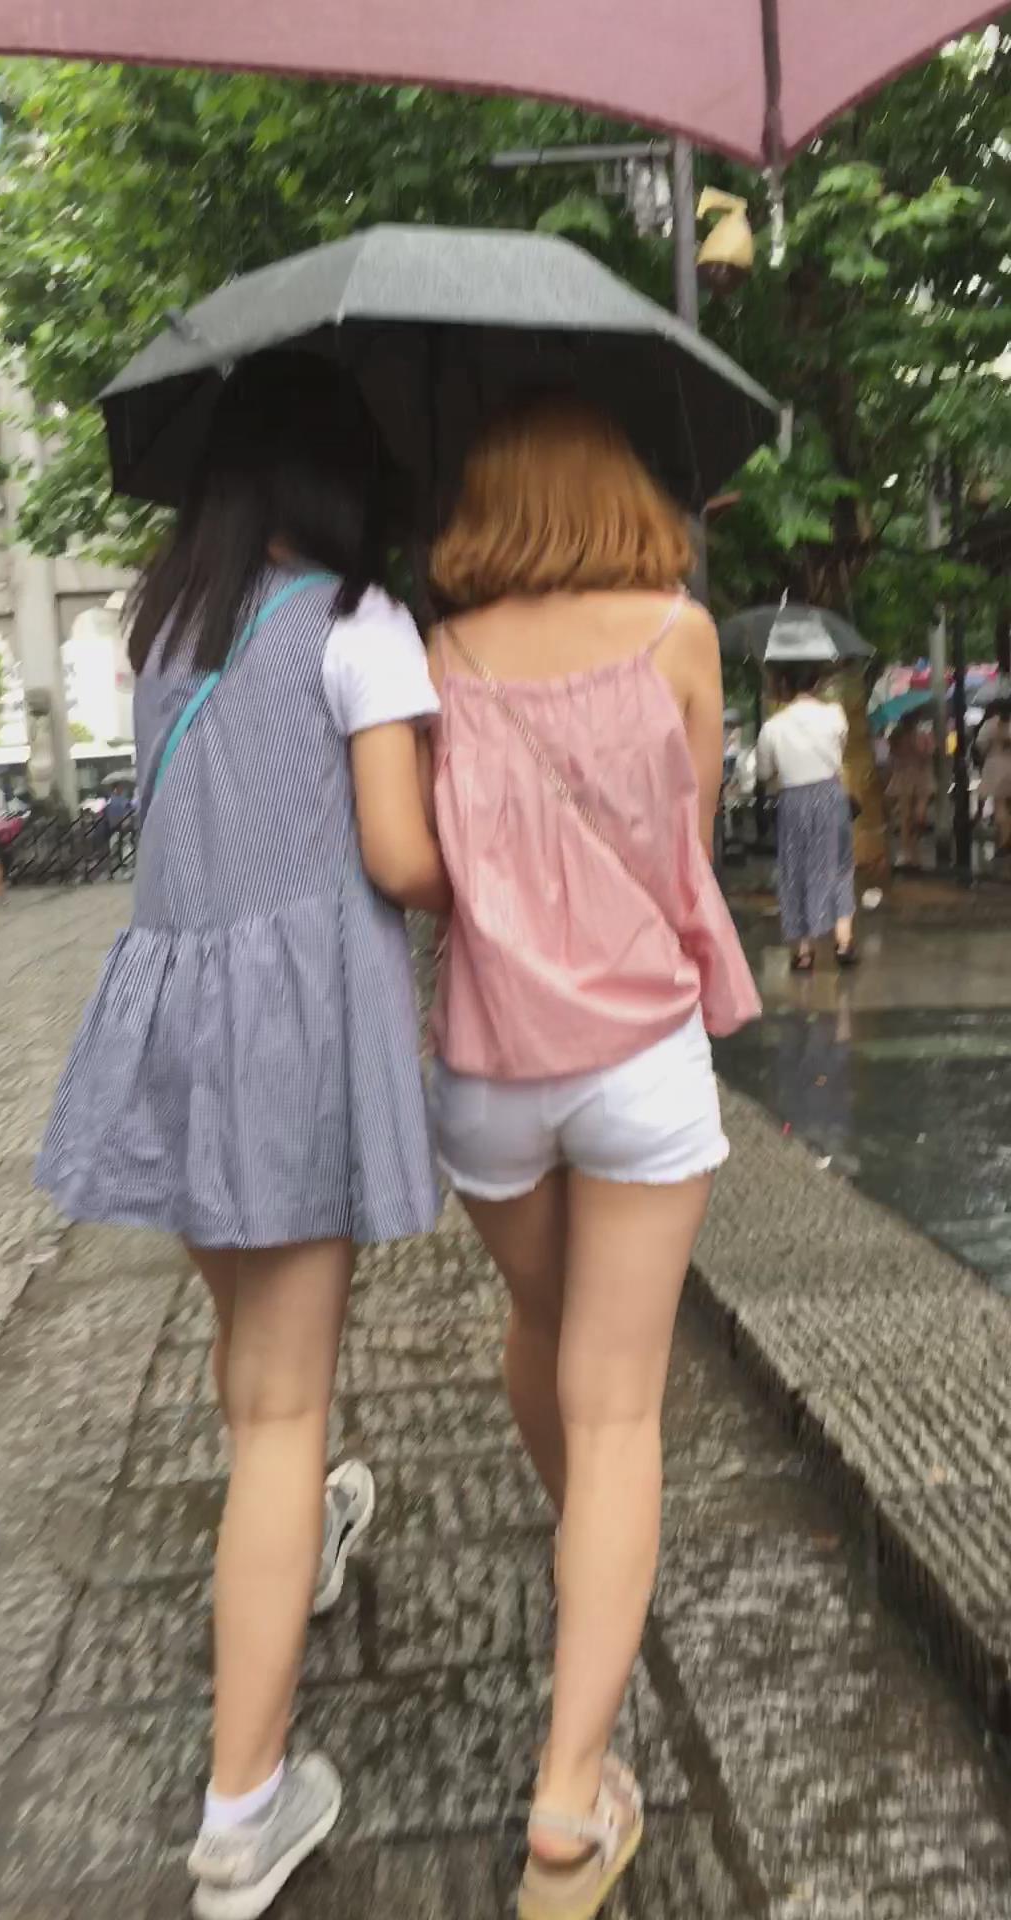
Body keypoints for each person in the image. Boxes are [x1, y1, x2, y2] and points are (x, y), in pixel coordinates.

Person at [36, 355, 449, 1920]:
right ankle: (244, 1810)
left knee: (253, 1362)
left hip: (179, 1030)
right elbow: (397, 856)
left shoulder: (163, 633)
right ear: (338, 480)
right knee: (279, 1412)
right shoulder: (361, 623)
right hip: (292, 1038)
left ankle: (316, 1522)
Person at [425, 396, 760, 1920]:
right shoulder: (681, 634)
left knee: (543, 1326)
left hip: (490, 1068)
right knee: (620, 1402)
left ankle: (592, 1563)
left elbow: (419, 859)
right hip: (638, 1057)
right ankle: (568, 1807)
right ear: (620, 488)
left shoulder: (438, 650)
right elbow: (691, 818)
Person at [756, 664, 857, 971]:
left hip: (792, 801)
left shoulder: (772, 727)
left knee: (795, 869)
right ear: (817, 683)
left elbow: (763, 772)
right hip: (830, 796)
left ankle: (803, 952)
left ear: (784, 686)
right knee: (840, 865)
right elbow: (839, 749)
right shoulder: (835, 714)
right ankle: (844, 940)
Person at [885, 712, 934, 867]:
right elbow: (927, 756)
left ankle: (910, 850)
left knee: (913, 815)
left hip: (910, 775)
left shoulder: (920, 736)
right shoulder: (900, 737)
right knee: (909, 816)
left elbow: (927, 755)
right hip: (912, 775)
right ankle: (909, 851)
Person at [976, 699, 1011, 855]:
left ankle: (1004, 840)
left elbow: (980, 745)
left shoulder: (991, 724)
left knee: (1000, 805)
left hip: (995, 766)